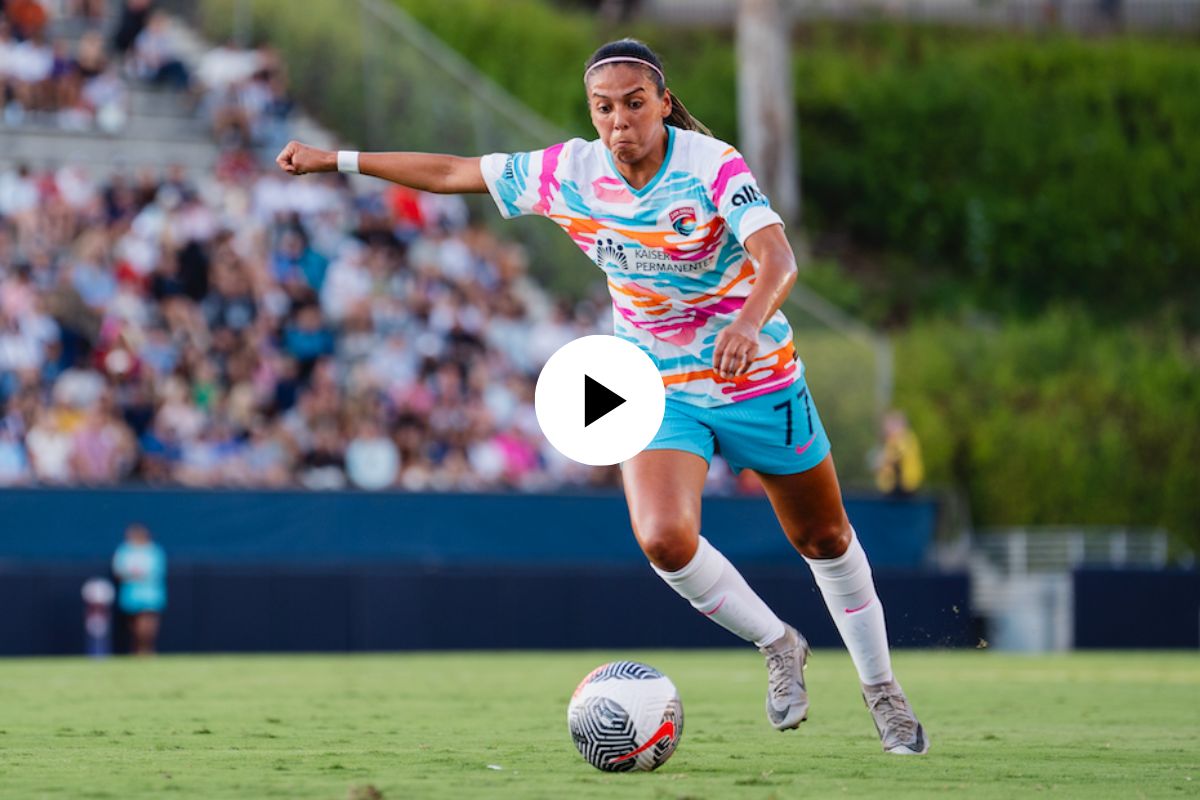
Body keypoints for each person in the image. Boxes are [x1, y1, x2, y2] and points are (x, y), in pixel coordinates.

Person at [275, 38, 928, 755]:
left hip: (757, 374)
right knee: (663, 540)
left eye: (635, 104)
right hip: (654, 385)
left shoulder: (711, 166)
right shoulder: (568, 172)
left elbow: (778, 256)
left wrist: (746, 321)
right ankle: (778, 644)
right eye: (604, 108)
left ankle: (882, 691)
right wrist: (334, 160)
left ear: (665, 103)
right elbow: (451, 170)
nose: (619, 121)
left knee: (824, 538)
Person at [111, 522, 167, 655]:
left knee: (148, 622)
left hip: (150, 593)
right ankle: (138, 650)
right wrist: (130, 574)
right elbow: (118, 571)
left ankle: (147, 650)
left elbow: (157, 571)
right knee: (134, 624)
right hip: (131, 593)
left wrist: (141, 575)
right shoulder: (124, 550)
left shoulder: (154, 551)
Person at [874, 410, 924, 497]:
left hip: (906, 486)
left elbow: (896, 457)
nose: (886, 429)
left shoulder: (905, 439)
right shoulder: (894, 441)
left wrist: (882, 461)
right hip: (897, 487)